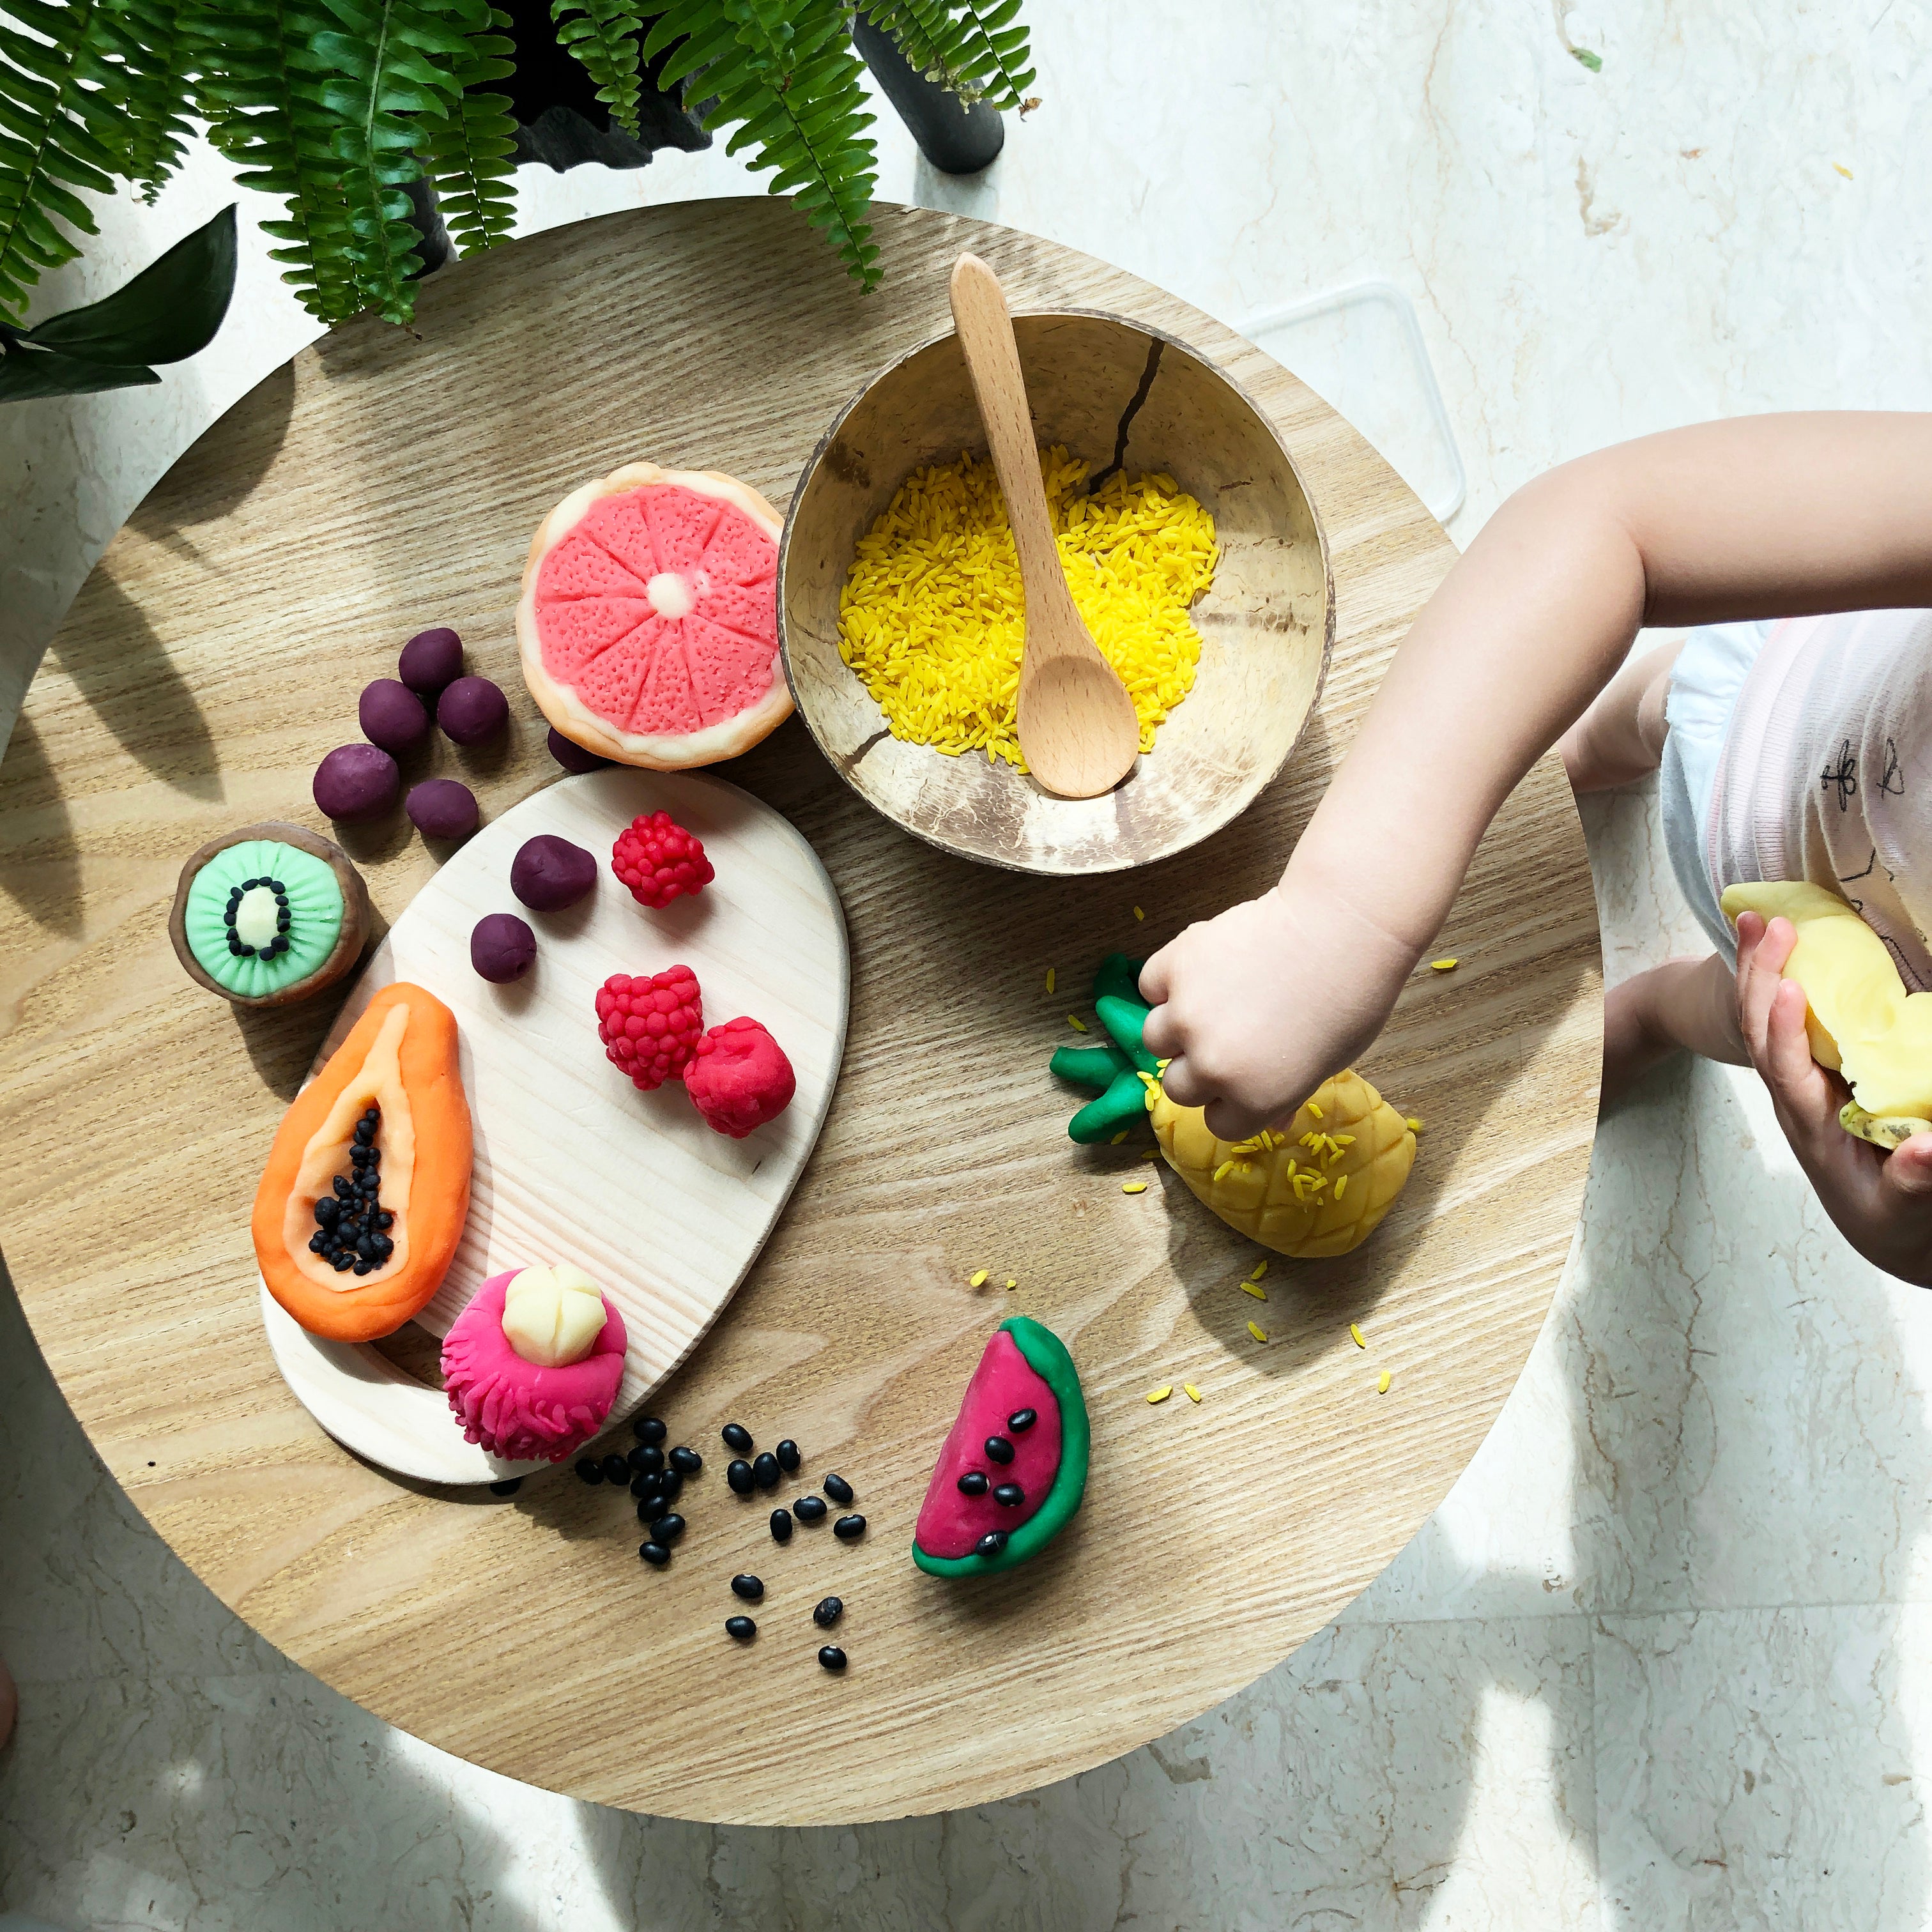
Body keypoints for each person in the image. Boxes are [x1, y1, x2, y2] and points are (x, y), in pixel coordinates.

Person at [1138, 413, 1932, 1284]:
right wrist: (1340, 912)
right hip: (1763, 719)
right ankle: (1594, 747)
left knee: (1746, 1018)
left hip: (1840, 1014)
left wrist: (1906, 1243)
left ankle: (1654, 1018)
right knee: (1651, 711)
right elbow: (1615, 525)